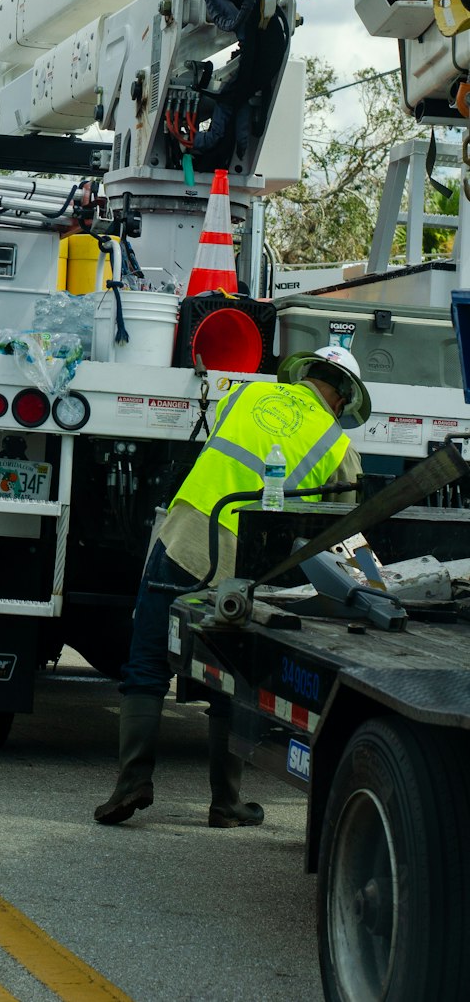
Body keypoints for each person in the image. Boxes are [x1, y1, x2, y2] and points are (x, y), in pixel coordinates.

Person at [94, 344, 370, 829]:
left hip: (183, 537)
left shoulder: (244, 396)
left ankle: (131, 783)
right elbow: (344, 520)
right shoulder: (339, 444)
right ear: (343, 397)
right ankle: (227, 803)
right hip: (245, 564)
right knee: (232, 679)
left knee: (146, 665)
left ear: (304, 375)